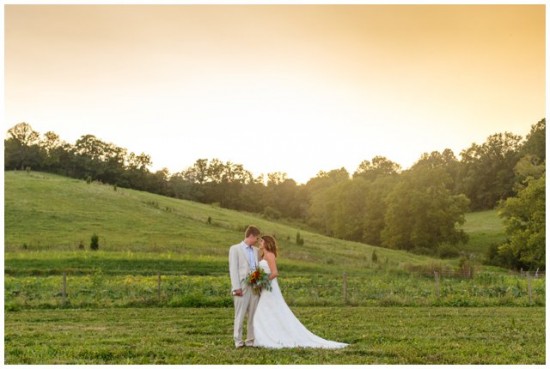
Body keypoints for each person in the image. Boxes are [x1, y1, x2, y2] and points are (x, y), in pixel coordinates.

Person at [253, 235, 348, 349]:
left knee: (264, 311)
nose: (260, 243)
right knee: (266, 312)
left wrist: (263, 282)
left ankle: (271, 337)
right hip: (265, 288)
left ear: (267, 243)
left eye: (261, 241)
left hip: (270, 287)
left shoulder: (270, 255)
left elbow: (275, 273)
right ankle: (268, 334)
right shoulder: (263, 255)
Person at [228, 225, 261, 348]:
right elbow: (233, 269)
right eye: (256, 238)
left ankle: (250, 340)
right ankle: (238, 340)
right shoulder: (235, 249)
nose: (257, 241)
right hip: (242, 286)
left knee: (253, 314)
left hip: (255, 286)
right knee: (240, 314)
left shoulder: (257, 250)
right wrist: (236, 287)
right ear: (251, 236)